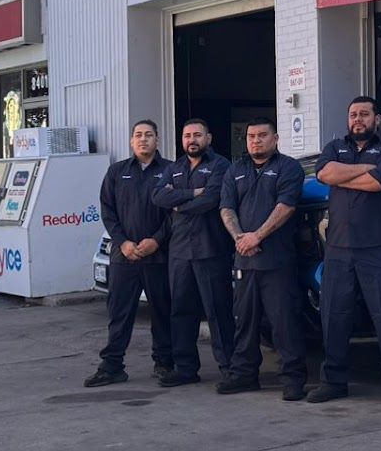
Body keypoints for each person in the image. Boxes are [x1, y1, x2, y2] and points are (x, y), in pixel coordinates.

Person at [312, 95, 381, 407]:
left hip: (378, 247)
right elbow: (323, 174)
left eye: (364, 114)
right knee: (334, 317)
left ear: (377, 119)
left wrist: (343, 177)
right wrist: (364, 170)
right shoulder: (334, 147)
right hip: (338, 248)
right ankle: (334, 382)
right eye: (353, 115)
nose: (358, 120)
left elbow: (378, 183)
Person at [218, 116, 307, 398]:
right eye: (251, 136)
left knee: (284, 323)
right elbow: (226, 208)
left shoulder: (288, 168)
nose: (256, 141)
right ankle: (244, 375)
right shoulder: (235, 170)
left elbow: (286, 207)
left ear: (275, 139)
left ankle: (293, 379)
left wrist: (257, 237)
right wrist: (240, 239)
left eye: (262, 135)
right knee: (244, 322)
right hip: (244, 260)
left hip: (277, 261)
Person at [86, 119, 173, 388]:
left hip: (158, 256)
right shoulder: (117, 171)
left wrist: (157, 240)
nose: (143, 139)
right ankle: (112, 366)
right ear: (131, 140)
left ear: (157, 139)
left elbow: (175, 213)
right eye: (138, 135)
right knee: (119, 313)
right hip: (124, 257)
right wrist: (122, 242)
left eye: (148, 135)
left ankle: (164, 363)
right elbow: (108, 210)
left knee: (162, 312)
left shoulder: (170, 171)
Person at [152, 118, 235, 387]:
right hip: (179, 251)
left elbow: (211, 200)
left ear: (208, 138)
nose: (192, 140)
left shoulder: (221, 165)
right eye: (187, 135)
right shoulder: (175, 167)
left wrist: (178, 202)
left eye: (197, 135)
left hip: (211, 250)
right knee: (181, 310)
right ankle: (185, 368)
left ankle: (230, 368)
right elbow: (157, 196)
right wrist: (192, 193)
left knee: (217, 310)